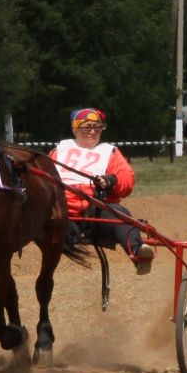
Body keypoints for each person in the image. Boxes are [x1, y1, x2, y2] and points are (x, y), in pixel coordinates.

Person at [53, 107, 156, 271]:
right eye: (87, 127)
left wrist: (111, 180)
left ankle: (138, 254)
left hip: (94, 209)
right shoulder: (59, 150)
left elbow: (127, 177)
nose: (93, 132)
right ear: (75, 128)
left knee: (120, 214)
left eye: (97, 127)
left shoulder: (109, 151)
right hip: (59, 209)